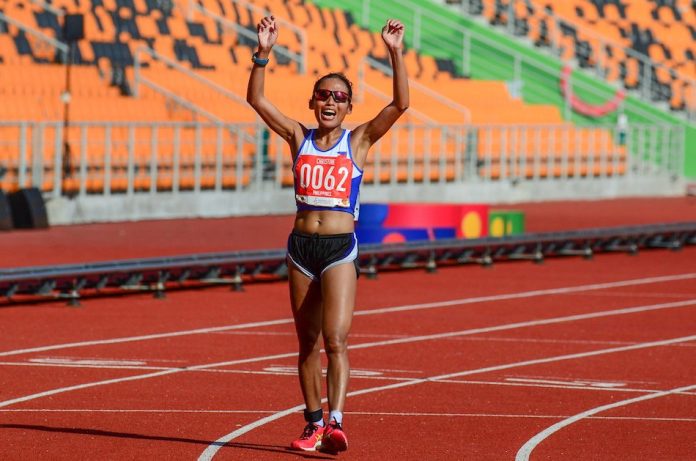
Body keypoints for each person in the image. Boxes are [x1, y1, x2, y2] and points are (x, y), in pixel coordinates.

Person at [247, 15, 409, 453]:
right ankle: (312, 423)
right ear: (313, 101)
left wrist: (395, 54)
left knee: (336, 338)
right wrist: (263, 52)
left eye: (339, 96)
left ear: (349, 106)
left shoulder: (358, 142)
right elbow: (257, 99)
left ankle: (337, 422)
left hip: (339, 247)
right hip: (301, 247)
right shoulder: (297, 136)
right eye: (324, 95)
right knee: (306, 343)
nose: (331, 102)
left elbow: (399, 106)